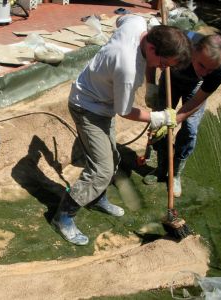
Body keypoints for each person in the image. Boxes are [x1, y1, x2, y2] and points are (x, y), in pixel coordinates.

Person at [51, 15, 192, 246]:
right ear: (153, 48)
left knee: (112, 158)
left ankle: (96, 197)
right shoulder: (128, 67)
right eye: (164, 64)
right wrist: (159, 117)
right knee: (102, 170)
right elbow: (124, 110)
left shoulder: (137, 23)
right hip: (87, 106)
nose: (163, 69)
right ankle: (63, 216)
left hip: (101, 98)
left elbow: (122, 19)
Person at [143, 30, 221, 198]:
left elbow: (198, 99)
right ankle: (162, 169)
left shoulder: (220, 70)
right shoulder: (178, 42)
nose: (205, 72)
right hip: (171, 78)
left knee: (190, 129)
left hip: (195, 87)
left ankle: (175, 173)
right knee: (160, 124)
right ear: (193, 51)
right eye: (201, 65)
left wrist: (176, 119)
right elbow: (151, 57)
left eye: (210, 69)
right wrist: (150, 85)